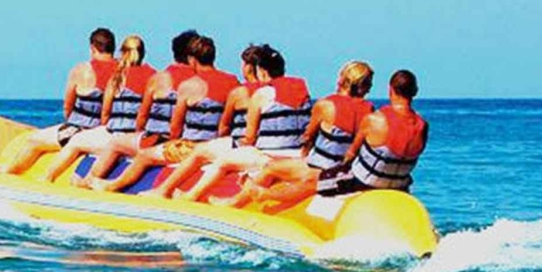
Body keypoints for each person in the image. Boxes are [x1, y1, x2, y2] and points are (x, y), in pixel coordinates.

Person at [153, 44, 312, 201]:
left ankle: (186, 195)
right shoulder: (303, 93)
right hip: (297, 155)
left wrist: (233, 143)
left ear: (261, 71)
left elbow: (249, 138)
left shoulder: (261, 94)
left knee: (217, 159)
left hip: (268, 156)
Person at [216, 60, 375, 210]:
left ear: (341, 80)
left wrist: (305, 155)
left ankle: (239, 201)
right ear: (366, 86)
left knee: (270, 168)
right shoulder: (371, 111)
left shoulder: (326, 105)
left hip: (321, 168)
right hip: (346, 170)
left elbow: (308, 137)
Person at [89, 34, 238, 193]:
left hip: (190, 145)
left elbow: (174, 127)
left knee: (142, 155)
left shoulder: (189, 85)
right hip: (218, 144)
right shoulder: (233, 81)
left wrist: (169, 142)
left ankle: (109, 184)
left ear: (192, 59)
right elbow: (227, 123)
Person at [75, 29, 198, 186]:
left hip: (163, 140)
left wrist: (140, 133)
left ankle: (91, 180)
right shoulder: (200, 81)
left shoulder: (158, 78)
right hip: (191, 141)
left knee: (115, 144)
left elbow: (143, 116)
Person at [0, 28, 120, 175]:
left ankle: (6, 173)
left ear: (93, 48)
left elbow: (67, 106)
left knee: (34, 141)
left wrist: (69, 125)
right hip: (108, 132)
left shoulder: (82, 70)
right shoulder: (123, 70)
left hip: (80, 129)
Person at [38, 34, 152, 182]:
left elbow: (105, 113)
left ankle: (47, 178)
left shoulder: (118, 77)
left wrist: (103, 127)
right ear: (143, 53)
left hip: (117, 135)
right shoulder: (154, 76)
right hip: (141, 137)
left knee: (75, 142)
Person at [317, 69, 428, 196]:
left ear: (390, 90)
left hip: (364, 183)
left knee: (324, 180)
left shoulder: (374, 119)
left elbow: (351, 154)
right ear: (415, 91)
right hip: (400, 186)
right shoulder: (423, 126)